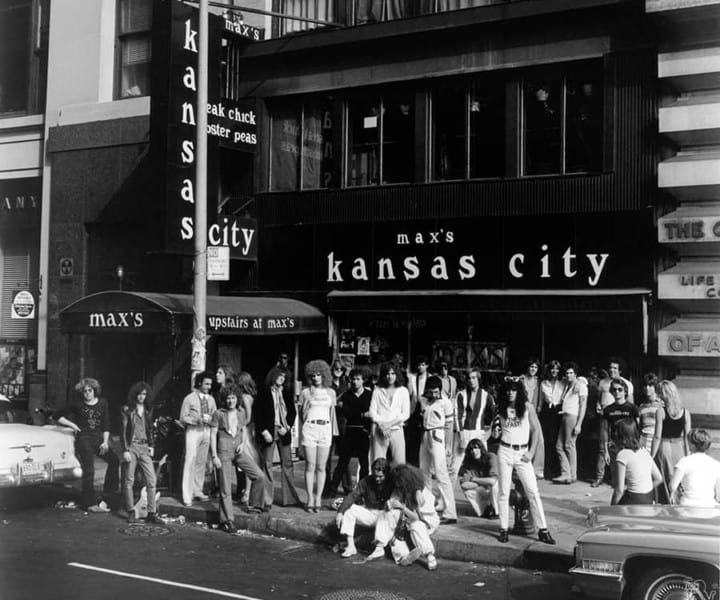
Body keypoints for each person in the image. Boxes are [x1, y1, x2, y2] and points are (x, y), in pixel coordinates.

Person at [495, 378, 555, 544]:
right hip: (505, 450)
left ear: (519, 391)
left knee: (533, 492)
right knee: (503, 492)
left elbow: (536, 430)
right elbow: (496, 430)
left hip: (522, 453)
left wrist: (531, 452)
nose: (510, 393)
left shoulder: (527, 407)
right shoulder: (501, 407)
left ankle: (543, 530)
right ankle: (503, 529)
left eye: (514, 390)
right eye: (508, 390)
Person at [57, 378, 119, 513]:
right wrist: (73, 425)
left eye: (90, 390)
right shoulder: (77, 405)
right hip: (84, 440)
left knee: (114, 460)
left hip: (98, 440)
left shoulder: (103, 403)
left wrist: (105, 442)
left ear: (94, 390)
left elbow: (106, 424)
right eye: (84, 391)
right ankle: (89, 503)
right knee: (89, 470)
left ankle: (108, 495)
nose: (87, 393)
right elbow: (58, 415)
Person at [210, 384, 267, 531]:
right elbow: (212, 435)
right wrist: (214, 456)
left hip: (238, 450)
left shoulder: (241, 413)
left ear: (237, 398)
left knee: (259, 475)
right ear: (224, 399)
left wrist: (242, 443)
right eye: (228, 398)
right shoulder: (218, 413)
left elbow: (242, 430)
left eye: (233, 398)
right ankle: (227, 520)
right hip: (223, 451)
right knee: (226, 488)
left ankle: (255, 505)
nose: (230, 401)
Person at [370, 464, 440, 570]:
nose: (397, 486)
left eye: (399, 484)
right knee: (389, 520)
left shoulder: (421, 493)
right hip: (406, 520)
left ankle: (430, 556)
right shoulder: (399, 489)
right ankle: (386, 549)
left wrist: (402, 507)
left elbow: (416, 517)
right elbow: (392, 502)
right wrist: (389, 505)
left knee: (416, 526)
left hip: (424, 520)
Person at [255, 367, 303, 509]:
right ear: (273, 376)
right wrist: (264, 431)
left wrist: (286, 427)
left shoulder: (287, 393)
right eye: (279, 376)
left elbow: (293, 412)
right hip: (269, 431)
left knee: (287, 464)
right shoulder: (264, 393)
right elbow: (258, 413)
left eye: (284, 376)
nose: (282, 378)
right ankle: (266, 500)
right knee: (267, 465)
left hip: (283, 431)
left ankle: (289, 499)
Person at [299, 359, 338, 513]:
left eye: (319, 375)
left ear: (324, 376)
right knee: (310, 466)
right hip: (310, 428)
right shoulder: (305, 392)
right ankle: (310, 498)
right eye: (313, 375)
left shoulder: (331, 393)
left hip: (325, 429)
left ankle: (318, 498)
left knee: (322, 467)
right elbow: (301, 415)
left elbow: (332, 414)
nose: (315, 378)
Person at [119, 381, 161, 523]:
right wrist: (125, 450)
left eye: (144, 394)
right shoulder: (127, 410)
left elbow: (150, 429)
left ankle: (151, 513)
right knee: (128, 480)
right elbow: (123, 431)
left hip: (144, 448)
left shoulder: (148, 410)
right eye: (139, 394)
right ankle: (131, 510)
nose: (142, 397)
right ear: (134, 394)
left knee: (152, 480)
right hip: (132, 447)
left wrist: (152, 445)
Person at [328, 367, 372, 497]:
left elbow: (372, 413)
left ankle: (362, 491)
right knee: (342, 463)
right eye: (353, 379)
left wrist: (363, 416)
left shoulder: (369, 395)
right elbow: (347, 412)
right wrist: (363, 414)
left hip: (364, 431)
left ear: (363, 380)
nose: (355, 382)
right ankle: (331, 490)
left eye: (358, 379)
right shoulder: (346, 395)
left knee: (364, 464)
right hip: (350, 430)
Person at [418, 375, 457, 524]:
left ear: (440, 390)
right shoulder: (424, 400)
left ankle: (450, 512)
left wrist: (448, 446)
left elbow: (449, 426)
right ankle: (428, 505)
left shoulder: (446, 403)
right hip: (425, 434)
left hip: (438, 435)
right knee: (424, 472)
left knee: (441, 474)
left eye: (436, 391)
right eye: (431, 392)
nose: (434, 395)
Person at [335, 458, 392, 558]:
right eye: (375, 476)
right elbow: (353, 496)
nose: (377, 479)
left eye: (380, 477)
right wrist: (340, 512)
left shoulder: (392, 482)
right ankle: (351, 546)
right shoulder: (366, 481)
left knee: (387, 514)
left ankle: (379, 548)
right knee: (350, 510)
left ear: (386, 474)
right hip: (370, 513)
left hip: (385, 516)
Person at [592, 378, 639, 488]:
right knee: (617, 480)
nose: (617, 392)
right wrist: (605, 450)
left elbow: (638, 429)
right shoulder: (608, 410)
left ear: (625, 391)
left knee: (631, 478)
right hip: (615, 447)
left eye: (620, 389)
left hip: (630, 446)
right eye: (614, 390)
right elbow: (604, 430)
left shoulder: (633, 408)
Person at [179, 371, 216, 506]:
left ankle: (197, 490)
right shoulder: (189, 398)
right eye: (206, 384)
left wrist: (211, 420)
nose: (208, 387)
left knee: (201, 462)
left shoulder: (211, 399)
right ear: (199, 383)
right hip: (193, 431)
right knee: (190, 461)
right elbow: (183, 418)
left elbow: (215, 416)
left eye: (210, 384)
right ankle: (187, 495)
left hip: (206, 431)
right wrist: (196, 420)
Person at [652, 380, 691, 504]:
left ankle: (666, 503)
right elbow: (687, 437)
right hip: (679, 447)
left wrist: (651, 456)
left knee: (664, 477)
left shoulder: (661, 411)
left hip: (664, 446)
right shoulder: (685, 412)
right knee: (678, 478)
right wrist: (688, 455)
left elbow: (657, 436)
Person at [452, 368, 494, 479]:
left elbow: (495, 415)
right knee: (454, 466)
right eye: (469, 378)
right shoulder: (461, 395)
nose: (471, 380)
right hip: (464, 432)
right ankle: (446, 496)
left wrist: (489, 431)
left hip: (479, 432)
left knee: (484, 464)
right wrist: (461, 437)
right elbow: (457, 416)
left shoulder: (486, 396)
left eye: (474, 378)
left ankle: (485, 494)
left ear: (478, 379)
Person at [610, 418, 662, 505]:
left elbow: (619, 490)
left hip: (634, 499)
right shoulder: (644, 451)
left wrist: (612, 508)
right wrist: (643, 490)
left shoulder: (623, 455)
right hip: (648, 497)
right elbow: (659, 478)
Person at [369, 362, 410, 465]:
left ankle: (398, 482)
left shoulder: (403, 391)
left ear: (397, 374)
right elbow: (372, 412)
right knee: (378, 463)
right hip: (380, 430)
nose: (390, 376)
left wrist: (388, 424)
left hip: (396, 430)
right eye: (387, 374)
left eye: (393, 373)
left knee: (400, 464)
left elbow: (405, 414)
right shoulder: (377, 391)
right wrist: (382, 425)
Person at [553, 362, 587, 485]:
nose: (568, 375)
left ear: (576, 374)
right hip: (564, 415)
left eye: (571, 373)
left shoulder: (581, 385)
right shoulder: (568, 385)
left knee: (569, 446)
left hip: (572, 417)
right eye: (567, 372)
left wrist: (579, 424)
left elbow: (583, 406)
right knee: (559, 446)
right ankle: (566, 473)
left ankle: (572, 475)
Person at [669, 429, 720, 507]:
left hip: (687, 506)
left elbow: (672, 486)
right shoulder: (716, 464)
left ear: (693, 445)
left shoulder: (684, 461)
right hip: (708, 507)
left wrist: (674, 495)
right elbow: (718, 494)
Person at [235, 371, 260, 506]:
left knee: (247, 461)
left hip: (247, 431)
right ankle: (248, 492)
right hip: (250, 430)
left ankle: (247, 493)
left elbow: (248, 417)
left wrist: (240, 425)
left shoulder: (245, 397)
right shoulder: (251, 396)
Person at [458, 438, 498, 519]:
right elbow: (464, 485)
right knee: (468, 492)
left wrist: (473, 479)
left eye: (476, 448)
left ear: (481, 448)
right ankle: (484, 510)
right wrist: (481, 483)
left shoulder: (491, 457)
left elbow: (492, 481)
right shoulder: (469, 464)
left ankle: (496, 512)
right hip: (484, 488)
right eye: (471, 449)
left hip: (498, 491)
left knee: (494, 486)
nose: (473, 451)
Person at [520, 358, 545, 479]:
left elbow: (539, 397)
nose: (533, 369)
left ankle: (538, 469)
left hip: (533, 412)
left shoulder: (537, 381)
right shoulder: (521, 379)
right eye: (531, 367)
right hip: (522, 411)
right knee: (521, 438)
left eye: (535, 367)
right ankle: (519, 466)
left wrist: (539, 407)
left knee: (539, 439)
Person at [539, 360, 563, 480]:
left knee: (556, 442)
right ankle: (547, 471)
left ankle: (557, 471)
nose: (555, 371)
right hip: (547, 413)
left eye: (557, 369)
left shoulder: (563, 382)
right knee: (547, 441)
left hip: (559, 412)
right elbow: (540, 401)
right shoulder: (543, 383)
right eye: (552, 368)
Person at [405, 356, 431, 466]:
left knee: (424, 437)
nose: (420, 367)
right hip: (414, 410)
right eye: (419, 365)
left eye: (423, 365)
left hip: (426, 409)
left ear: (427, 366)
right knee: (412, 436)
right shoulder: (412, 378)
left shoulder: (430, 378)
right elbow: (409, 394)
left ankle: (423, 462)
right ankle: (412, 460)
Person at [638, 373, 662, 452]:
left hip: (656, 441)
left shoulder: (661, 405)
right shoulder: (642, 406)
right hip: (643, 441)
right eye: (645, 386)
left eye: (650, 386)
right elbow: (640, 427)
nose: (647, 388)